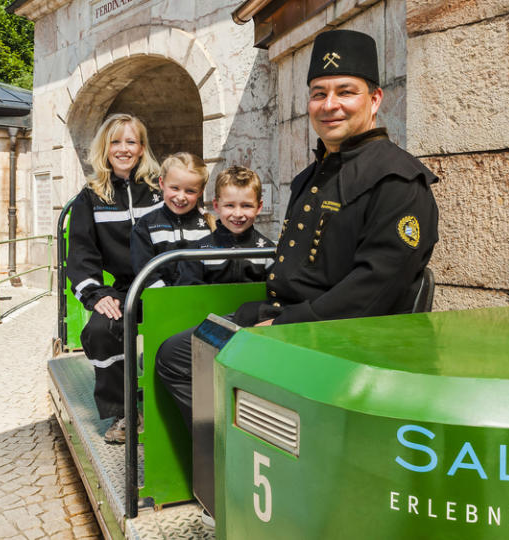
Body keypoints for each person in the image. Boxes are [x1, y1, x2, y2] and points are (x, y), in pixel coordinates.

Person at [156, 29, 440, 429]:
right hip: (286, 319)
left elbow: (372, 291)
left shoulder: (398, 181)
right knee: (176, 354)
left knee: (182, 359)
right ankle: (234, 458)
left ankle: (243, 459)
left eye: (346, 92)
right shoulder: (311, 176)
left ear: (374, 100)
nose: (330, 105)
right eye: (319, 93)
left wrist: (283, 326)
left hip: (334, 340)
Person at [65, 113, 162, 443]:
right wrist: (96, 294)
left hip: (165, 285)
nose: (123, 148)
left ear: (142, 147)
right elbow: (80, 255)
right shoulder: (90, 198)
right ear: (105, 148)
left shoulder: (161, 189)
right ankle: (124, 413)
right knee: (100, 329)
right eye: (116, 141)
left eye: (131, 141)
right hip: (125, 288)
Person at [175, 165, 275, 285]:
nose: (238, 214)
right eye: (230, 205)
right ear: (216, 206)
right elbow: (188, 294)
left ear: (259, 207)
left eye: (246, 206)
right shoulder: (198, 251)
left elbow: (277, 292)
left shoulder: (267, 251)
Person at [130, 152, 215, 288]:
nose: (181, 197)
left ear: (200, 191)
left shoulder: (208, 226)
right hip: (160, 300)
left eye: (190, 191)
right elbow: (144, 270)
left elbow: (215, 270)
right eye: (175, 188)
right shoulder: (146, 226)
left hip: (201, 302)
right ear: (162, 183)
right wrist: (168, 298)